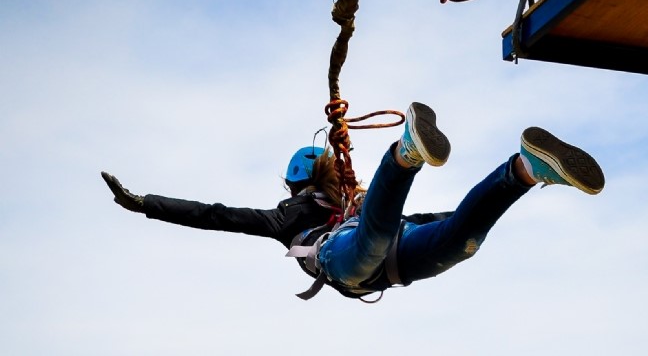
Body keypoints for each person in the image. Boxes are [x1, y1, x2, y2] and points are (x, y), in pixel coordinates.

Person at [102, 102, 604, 301]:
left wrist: (460, 217)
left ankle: (522, 169)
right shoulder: (293, 219)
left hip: (365, 255)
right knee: (393, 231)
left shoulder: (336, 207)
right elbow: (215, 217)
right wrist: (145, 202)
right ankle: (516, 170)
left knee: (462, 242)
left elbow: (215, 215)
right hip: (376, 261)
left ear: (295, 181)